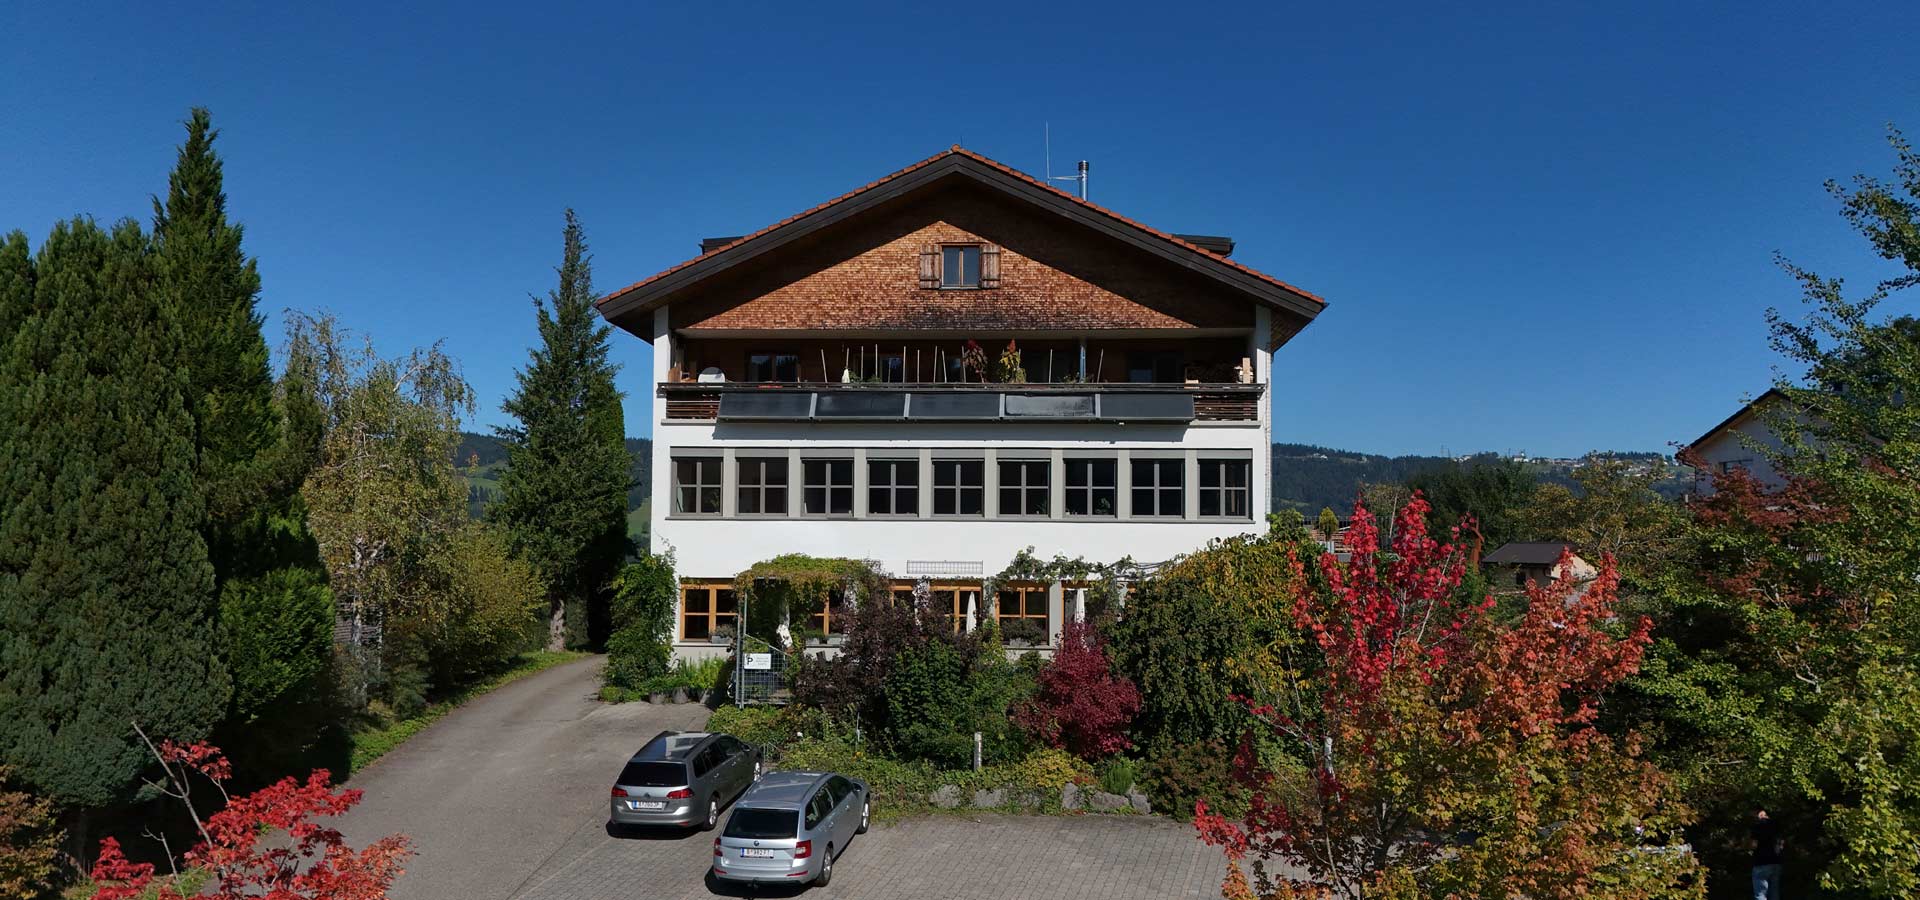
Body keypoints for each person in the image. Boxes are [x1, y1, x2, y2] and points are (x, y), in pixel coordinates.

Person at [1751, 807, 1783, 900]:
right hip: (1776, 862)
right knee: (1775, 892)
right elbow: (1781, 843)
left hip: (1761, 862)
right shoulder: (1776, 825)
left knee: (1760, 894)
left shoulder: (1757, 826)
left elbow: (1753, 845)